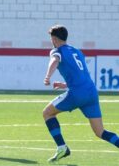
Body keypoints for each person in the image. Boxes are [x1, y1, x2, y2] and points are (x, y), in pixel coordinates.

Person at [43, 25, 119, 162]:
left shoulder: (56, 51)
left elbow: (54, 60)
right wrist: (64, 85)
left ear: (54, 39)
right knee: (100, 132)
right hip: (91, 92)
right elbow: (81, 75)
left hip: (77, 94)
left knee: (47, 113)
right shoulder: (77, 51)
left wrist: (48, 76)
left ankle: (62, 147)